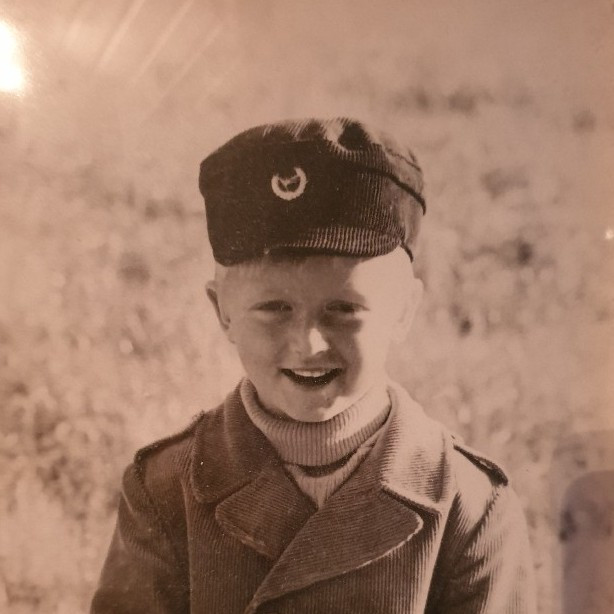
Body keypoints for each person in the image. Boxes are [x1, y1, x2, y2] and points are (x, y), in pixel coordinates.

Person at [91, 118, 537, 613]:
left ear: (404, 311)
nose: (308, 344)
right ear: (223, 312)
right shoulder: (166, 489)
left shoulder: (467, 508)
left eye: (343, 309)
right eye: (274, 309)